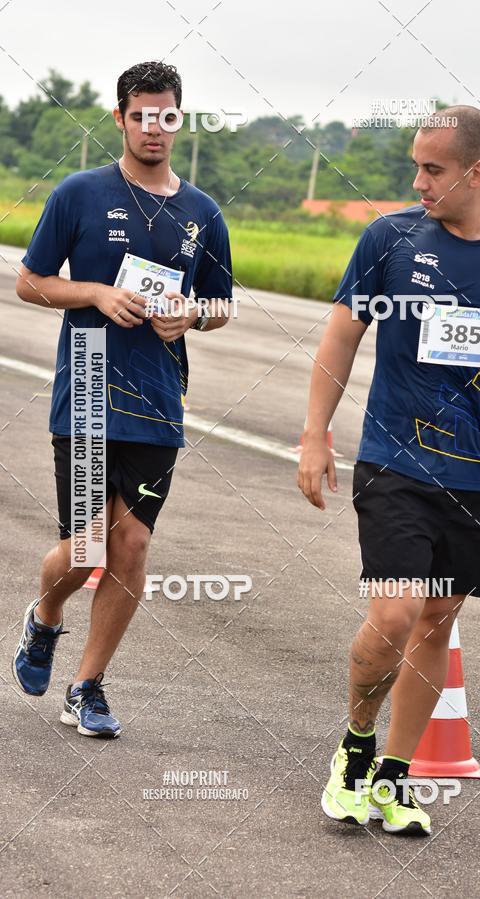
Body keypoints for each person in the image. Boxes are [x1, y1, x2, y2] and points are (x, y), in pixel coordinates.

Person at [298, 106, 480, 834]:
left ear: (477, 172)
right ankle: (356, 746)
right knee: (392, 613)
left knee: (437, 620)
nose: (417, 181)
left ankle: (395, 776)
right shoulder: (390, 238)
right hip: (395, 457)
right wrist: (314, 434)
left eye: (433, 169)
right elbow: (342, 332)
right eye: (415, 166)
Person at [13, 61, 232, 738]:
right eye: (140, 115)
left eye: (166, 115)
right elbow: (29, 281)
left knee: (131, 544)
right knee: (84, 550)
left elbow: (222, 303)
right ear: (120, 118)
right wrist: (96, 294)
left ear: (179, 119)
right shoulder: (79, 194)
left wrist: (191, 315)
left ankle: (88, 685)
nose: (153, 127)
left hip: (160, 397)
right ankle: (44, 617)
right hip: (85, 384)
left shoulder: (201, 212)